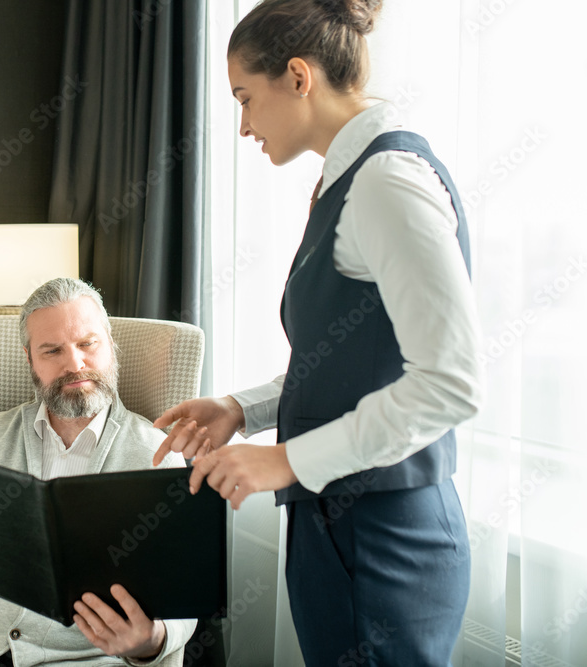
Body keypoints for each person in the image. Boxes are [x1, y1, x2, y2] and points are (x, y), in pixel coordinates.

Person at [153, 1, 481, 664]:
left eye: (245, 98)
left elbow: (451, 383)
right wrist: (242, 410)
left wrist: (283, 461)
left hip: (385, 537)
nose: (243, 125)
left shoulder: (388, 183)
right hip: (337, 525)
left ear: (299, 77)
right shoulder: (346, 178)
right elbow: (346, 362)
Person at [0, 278, 197, 667]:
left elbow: (185, 593)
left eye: (88, 344)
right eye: (53, 350)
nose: (74, 364)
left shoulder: (156, 454)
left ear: (110, 344)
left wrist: (152, 639)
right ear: (30, 360)